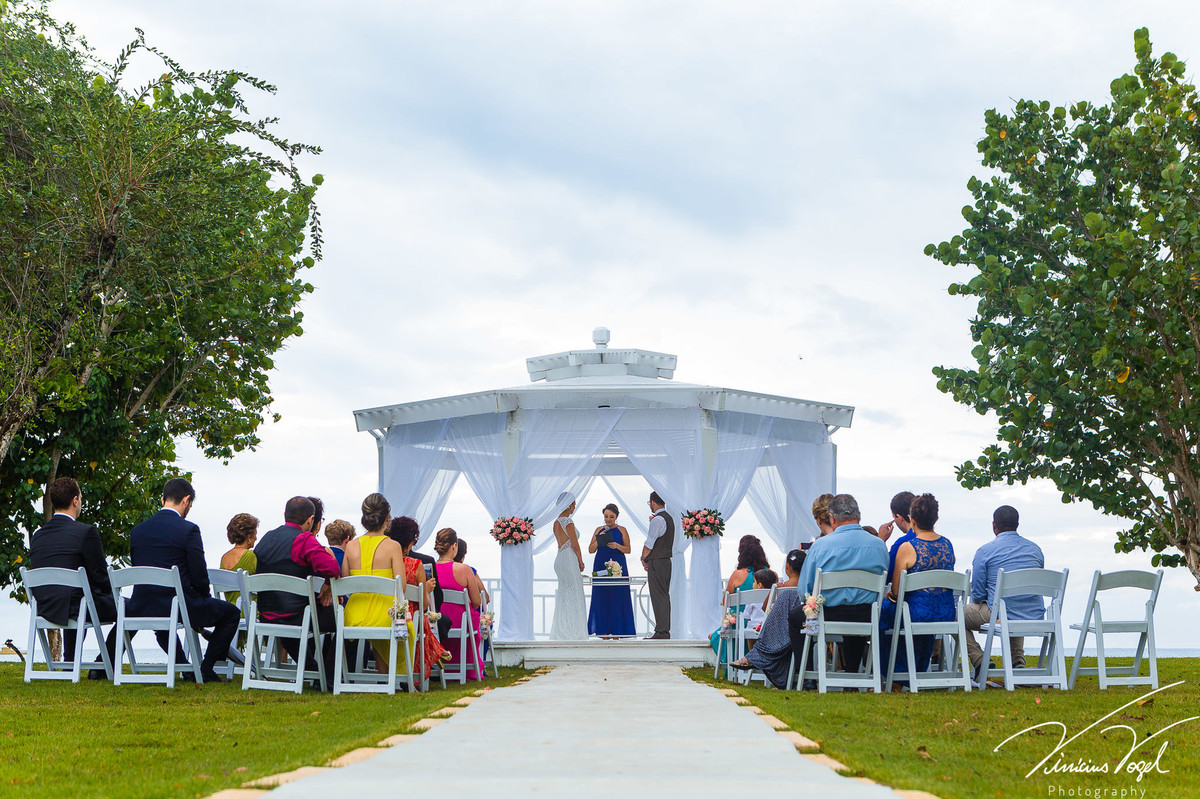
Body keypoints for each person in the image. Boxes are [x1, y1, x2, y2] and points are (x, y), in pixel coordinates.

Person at [128, 478, 240, 684]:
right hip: (180, 604)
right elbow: (198, 574)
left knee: (161, 620)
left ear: (163, 499)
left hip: (144, 604)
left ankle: (186, 668)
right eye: (190, 504)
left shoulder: (137, 531)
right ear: (186, 500)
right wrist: (204, 598)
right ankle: (205, 669)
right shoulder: (188, 530)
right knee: (232, 614)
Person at [28, 477, 118, 680]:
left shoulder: (39, 535)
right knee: (131, 610)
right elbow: (101, 577)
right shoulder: (86, 532)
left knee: (77, 596)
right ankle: (101, 667)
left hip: (45, 607)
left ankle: (70, 665)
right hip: (76, 606)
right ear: (75, 500)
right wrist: (111, 595)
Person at [789, 493, 888, 678]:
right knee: (856, 614)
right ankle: (851, 674)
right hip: (868, 615)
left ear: (832, 518)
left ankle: (807, 675)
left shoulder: (820, 546)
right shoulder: (878, 545)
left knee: (795, 618)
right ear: (858, 516)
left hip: (829, 614)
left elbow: (804, 590)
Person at [254, 495, 341, 686]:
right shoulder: (304, 540)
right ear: (310, 520)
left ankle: (314, 671)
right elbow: (333, 568)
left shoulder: (267, 537)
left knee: (298, 622)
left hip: (267, 613)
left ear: (285, 514)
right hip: (297, 615)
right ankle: (328, 676)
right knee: (345, 619)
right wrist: (327, 583)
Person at [880, 493, 955, 678]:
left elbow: (897, 592)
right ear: (936, 518)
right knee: (920, 607)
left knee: (881, 612)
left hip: (915, 613)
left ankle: (891, 673)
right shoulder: (948, 545)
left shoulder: (908, 547)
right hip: (946, 613)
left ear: (911, 519)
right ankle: (918, 669)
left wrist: (889, 595)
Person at [965, 505, 1045, 676]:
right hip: (1032, 615)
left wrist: (984, 601)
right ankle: (1017, 660)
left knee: (953, 613)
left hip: (1001, 614)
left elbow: (978, 594)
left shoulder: (985, 551)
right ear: (1018, 524)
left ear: (994, 525)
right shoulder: (1035, 550)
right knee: (1014, 604)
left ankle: (980, 660)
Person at [342, 493, 412, 672]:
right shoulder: (393, 546)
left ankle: (384, 677)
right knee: (407, 625)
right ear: (387, 518)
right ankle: (398, 676)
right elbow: (401, 587)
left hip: (354, 616)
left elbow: (345, 581)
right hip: (385, 616)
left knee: (386, 626)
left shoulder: (351, 546)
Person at [387, 516, 447, 679]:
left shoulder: (384, 563)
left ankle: (438, 651)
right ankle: (437, 652)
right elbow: (425, 605)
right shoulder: (416, 564)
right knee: (422, 618)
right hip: (410, 617)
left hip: (385, 612)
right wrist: (426, 590)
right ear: (411, 541)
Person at [709, 535, 770, 660]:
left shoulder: (738, 575)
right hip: (763, 624)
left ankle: (733, 659)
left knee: (716, 636)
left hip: (741, 624)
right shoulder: (770, 574)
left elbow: (725, 601)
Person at [433, 528, 484, 678]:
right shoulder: (465, 570)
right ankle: (468, 668)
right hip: (461, 623)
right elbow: (476, 602)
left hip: (437, 624)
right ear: (454, 546)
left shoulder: (430, 567)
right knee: (473, 616)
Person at [589, 503, 635, 638]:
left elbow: (628, 549)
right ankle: (603, 631)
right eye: (606, 516)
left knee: (618, 597)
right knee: (601, 597)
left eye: (611, 516)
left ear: (616, 516)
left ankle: (618, 632)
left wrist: (617, 546)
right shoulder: (598, 529)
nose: (608, 519)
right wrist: (599, 539)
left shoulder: (622, 530)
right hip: (601, 565)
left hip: (618, 567)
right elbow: (591, 550)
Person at [549, 493, 587, 641]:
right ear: (569, 504)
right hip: (569, 558)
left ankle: (563, 628)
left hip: (559, 559)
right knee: (575, 593)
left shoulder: (556, 522)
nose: (575, 507)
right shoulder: (568, 521)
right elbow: (575, 544)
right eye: (574, 503)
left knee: (564, 594)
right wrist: (581, 561)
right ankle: (573, 631)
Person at [640, 492, 674, 639]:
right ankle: (664, 629)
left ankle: (661, 631)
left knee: (658, 595)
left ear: (653, 502)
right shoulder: (669, 518)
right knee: (664, 595)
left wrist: (643, 558)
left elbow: (649, 543)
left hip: (657, 561)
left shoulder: (657, 520)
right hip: (666, 561)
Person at [219, 513, 258, 605]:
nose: (256, 538)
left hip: (231, 614)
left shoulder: (224, 558)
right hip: (252, 615)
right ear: (249, 536)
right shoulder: (252, 556)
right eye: (255, 534)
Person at [879, 490, 916, 583]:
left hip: (908, 597)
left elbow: (884, 576)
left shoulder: (903, 544)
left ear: (899, 518)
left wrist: (880, 541)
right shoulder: (943, 544)